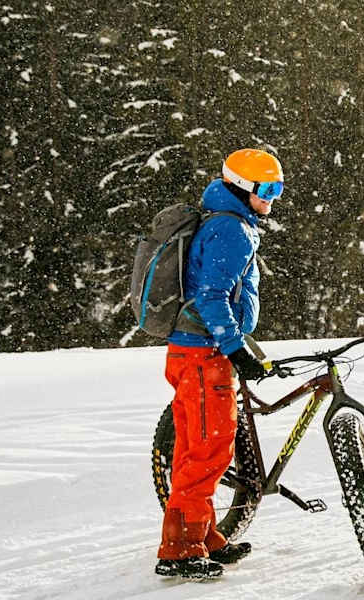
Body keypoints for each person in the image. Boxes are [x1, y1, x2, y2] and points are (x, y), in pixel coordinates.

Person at [156, 148, 283, 580]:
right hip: (205, 353)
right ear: (243, 188)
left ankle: (200, 532)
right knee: (211, 448)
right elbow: (212, 296)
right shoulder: (231, 229)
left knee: (193, 446)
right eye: (268, 189)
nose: (273, 199)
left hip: (186, 351)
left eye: (277, 189)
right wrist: (235, 348)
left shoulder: (220, 220)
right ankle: (182, 548)